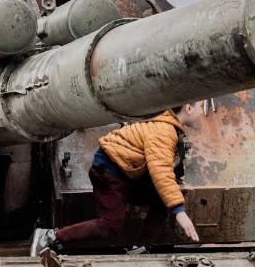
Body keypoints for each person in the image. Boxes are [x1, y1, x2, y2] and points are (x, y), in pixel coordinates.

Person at [31, 106, 202, 255]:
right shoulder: (164, 131)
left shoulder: (167, 124)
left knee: (162, 200)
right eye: (201, 105)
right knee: (110, 225)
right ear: (188, 108)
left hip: (123, 172)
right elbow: (161, 171)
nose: (202, 112)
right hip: (110, 171)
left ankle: (140, 248)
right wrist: (179, 211)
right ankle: (51, 236)